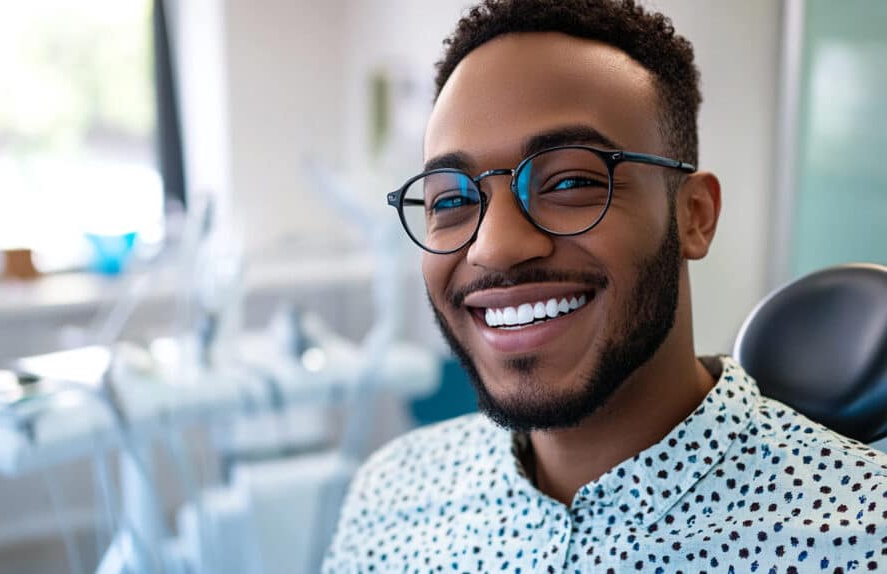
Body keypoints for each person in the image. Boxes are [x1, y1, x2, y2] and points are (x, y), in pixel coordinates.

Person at [323, 0, 887, 572]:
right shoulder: (388, 499)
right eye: (452, 200)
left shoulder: (861, 536)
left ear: (694, 215)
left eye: (569, 181)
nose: (492, 248)